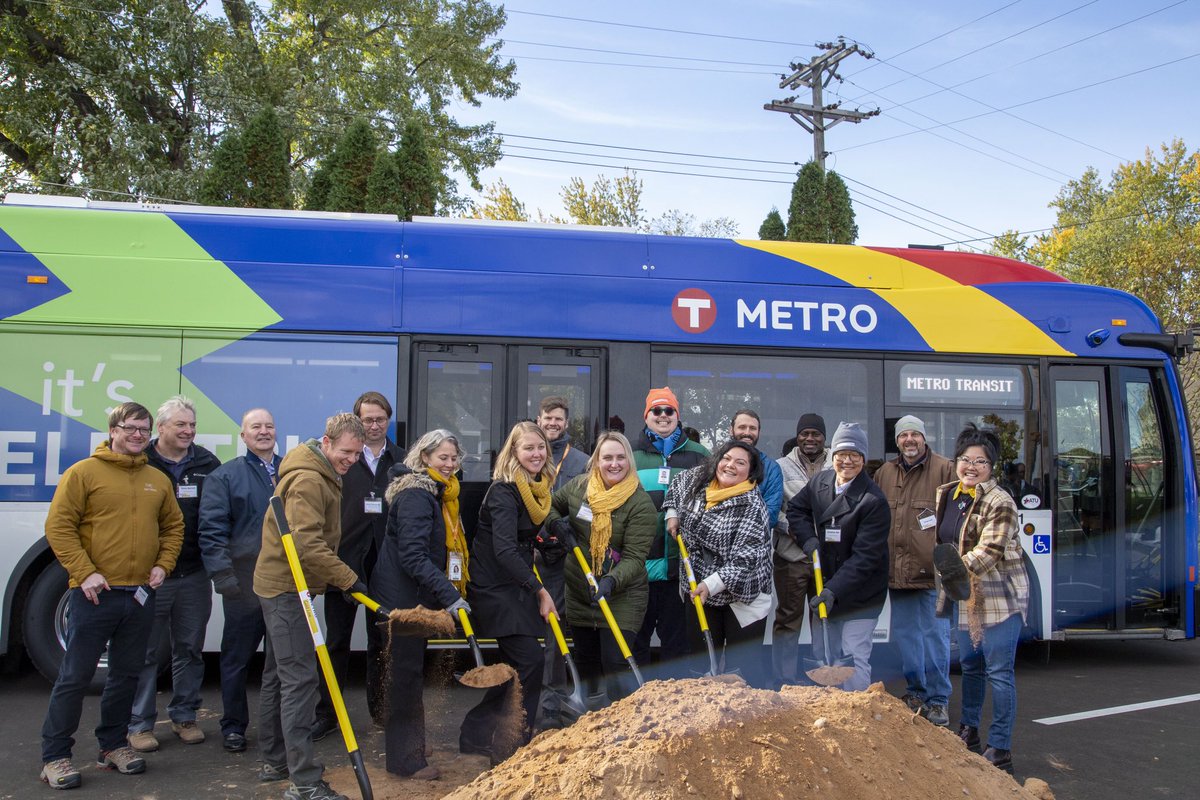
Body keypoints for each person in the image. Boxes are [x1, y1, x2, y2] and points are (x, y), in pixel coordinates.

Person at [39, 402, 184, 789]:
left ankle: (113, 746)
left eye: (144, 429)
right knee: (75, 677)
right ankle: (55, 757)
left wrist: (163, 565)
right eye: (131, 428)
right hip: (93, 595)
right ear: (113, 430)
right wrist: (84, 573)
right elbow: (59, 527)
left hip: (139, 594)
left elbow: (173, 528)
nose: (138, 435)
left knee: (125, 676)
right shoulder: (83, 474)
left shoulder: (157, 479)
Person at [255, 413, 366, 800]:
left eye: (357, 453)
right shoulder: (308, 480)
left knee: (278, 674)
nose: (351, 459)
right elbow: (307, 544)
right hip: (287, 588)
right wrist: (348, 579)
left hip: (283, 585)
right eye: (346, 452)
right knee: (300, 681)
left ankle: (274, 760)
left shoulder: (320, 471)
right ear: (327, 442)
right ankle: (303, 781)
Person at [371, 429, 471, 780]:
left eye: (453, 457)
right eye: (442, 457)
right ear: (424, 457)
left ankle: (412, 743)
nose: (450, 463)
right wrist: (450, 596)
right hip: (402, 603)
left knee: (408, 676)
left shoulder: (433, 493)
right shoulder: (417, 494)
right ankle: (405, 761)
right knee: (405, 679)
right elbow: (413, 556)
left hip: (410, 598)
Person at [460, 421, 558, 764]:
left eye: (540, 447)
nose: (536, 453)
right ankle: (512, 739)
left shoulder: (537, 487)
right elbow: (503, 549)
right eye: (528, 448)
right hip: (494, 587)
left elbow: (523, 539)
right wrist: (540, 590)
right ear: (513, 452)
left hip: (513, 583)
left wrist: (544, 543)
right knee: (529, 661)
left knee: (518, 665)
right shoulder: (504, 491)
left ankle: (475, 733)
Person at [935, 423, 1030, 775]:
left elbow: (988, 552)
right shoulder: (948, 493)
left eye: (981, 461)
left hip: (999, 598)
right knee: (971, 667)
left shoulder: (1000, 501)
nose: (971, 466)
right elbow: (941, 538)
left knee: (1000, 672)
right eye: (965, 459)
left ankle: (1000, 747)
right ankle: (969, 732)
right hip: (966, 597)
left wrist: (951, 570)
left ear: (993, 467)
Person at [129, 396, 222, 751]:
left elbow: (216, 516)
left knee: (190, 648)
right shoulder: (141, 462)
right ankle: (139, 724)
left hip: (194, 573)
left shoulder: (207, 463)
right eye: (180, 425)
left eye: (192, 425)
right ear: (161, 428)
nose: (188, 431)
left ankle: (184, 716)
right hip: (152, 576)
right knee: (148, 651)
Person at [316, 392, 405, 735]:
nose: (373, 425)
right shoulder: (340, 458)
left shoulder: (400, 459)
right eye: (367, 419)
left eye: (380, 419)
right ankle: (328, 714)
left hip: (384, 563)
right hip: (344, 561)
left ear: (388, 420)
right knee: (336, 641)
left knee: (381, 642)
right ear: (358, 421)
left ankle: (381, 712)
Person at [546, 432, 655, 706]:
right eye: (607, 457)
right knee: (587, 661)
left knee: (615, 661)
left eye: (621, 458)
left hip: (622, 595)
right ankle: (591, 718)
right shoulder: (579, 487)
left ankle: (623, 720)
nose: (614, 464)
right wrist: (556, 524)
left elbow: (634, 557)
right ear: (596, 461)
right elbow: (549, 508)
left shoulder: (640, 503)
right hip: (580, 591)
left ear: (629, 461)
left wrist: (610, 582)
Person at [198, 408, 282, 754]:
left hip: (282, 582)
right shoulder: (225, 477)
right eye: (255, 427)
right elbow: (211, 530)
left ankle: (278, 729)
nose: (263, 432)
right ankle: (233, 726)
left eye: (269, 425)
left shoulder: (290, 471)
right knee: (236, 660)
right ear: (243, 435)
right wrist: (224, 576)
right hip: (244, 585)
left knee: (282, 663)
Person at [786, 422, 889, 692]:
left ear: (864, 459)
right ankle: (830, 714)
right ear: (832, 456)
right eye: (841, 453)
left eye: (854, 455)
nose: (847, 461)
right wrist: (807, 537)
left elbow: (865, 558)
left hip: (860, 595)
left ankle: (857, 717)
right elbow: (796, 509)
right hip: (826, 585)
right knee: (824, 657)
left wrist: (832, 590)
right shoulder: (821, 481)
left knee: (852, 657)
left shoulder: (873, 501)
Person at [664, 440, 773, 687]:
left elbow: (744, 561)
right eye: (727, 458)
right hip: (699, 590)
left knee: (741, 671)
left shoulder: (753, 506)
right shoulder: (700, 481)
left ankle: (748, 720)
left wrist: (711, 584)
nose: (730, 465)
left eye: (740, 462)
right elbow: (677, 484)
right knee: (701, 665)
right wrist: (672, 513)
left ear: (751, 471)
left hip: (742, 598)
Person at [872, 415, 956, 725]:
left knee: (936, 637)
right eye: (903, 435)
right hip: (898, 574)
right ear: (897, 441)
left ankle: (938, 700)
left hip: (933, 574)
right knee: (907, 637)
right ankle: (916, 691)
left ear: (924, 438)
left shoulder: (945, 470)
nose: (910, 440)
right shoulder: (884, 473)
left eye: (915, 434)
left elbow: (958, 519)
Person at [631, 387, 709, 677]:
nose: (663, 416)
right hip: (641, 567)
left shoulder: (699, 455)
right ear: (646, 416)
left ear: (678, 415)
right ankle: (634, 705)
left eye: (669, 411)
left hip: (681, 567)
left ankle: (673, 707)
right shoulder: (630, 453)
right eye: (656, 411)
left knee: (677, 644)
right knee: (637, 641)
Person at [533, 396, 589, 730]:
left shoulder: (581, 461)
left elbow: (588, 504)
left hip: (562, 557)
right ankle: (524, 697)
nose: (553, 424)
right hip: (527, 555)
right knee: (525, 634)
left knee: (556, 631)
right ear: (538, 420)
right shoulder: (524, 453)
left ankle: (551, 704)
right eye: (547, 418)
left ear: (566, 424)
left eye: (558, 419)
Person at [771, 413, 830, 686]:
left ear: (824, 438)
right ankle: (785, 678)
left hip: (827, 557)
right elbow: (772, 508)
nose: (810, 438)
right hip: (791, 556)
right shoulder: (780, 467)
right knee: (788, 618)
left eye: (815, 434)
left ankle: (822, 673)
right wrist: (788, 528)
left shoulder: (836, 463)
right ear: (797, 436)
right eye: (805, 433)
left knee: (824, 616)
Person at [729, 409, 783, 529]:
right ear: (731, 430)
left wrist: (733, 528)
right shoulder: (718, 464)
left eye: (752, 428)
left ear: (759, 432)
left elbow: (771, 515)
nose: (747, 433)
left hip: (753, 543)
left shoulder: (771, 468)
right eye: (742, 427)